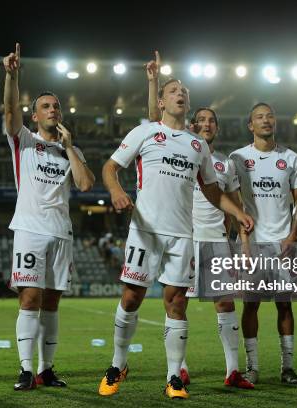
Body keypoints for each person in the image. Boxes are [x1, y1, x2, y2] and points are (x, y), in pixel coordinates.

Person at [98, 53, 254, 399]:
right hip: (146, 230)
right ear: (161, 101)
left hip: (183, 235)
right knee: (131, 296)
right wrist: (117, 191)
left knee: (177, 303)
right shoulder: (145, 132)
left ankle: (173, 378)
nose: (180, 94)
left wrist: (237, 211)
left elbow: (213, 192)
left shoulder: (198, 146)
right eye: (173, 90)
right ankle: (117, 363)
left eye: (184, 91)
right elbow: (110, 168)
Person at [146, 51, 253, 390]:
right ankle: (176, 371)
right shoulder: (179, 148)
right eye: (201, 120)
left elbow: (236, 208)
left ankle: (233, 371)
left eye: (212, 121)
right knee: (177, 301)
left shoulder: (226, 164)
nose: (206, 124)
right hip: (182, 236)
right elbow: (154, 122)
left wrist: (245, 248)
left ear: (217, 128)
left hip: (216, 240)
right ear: (193, 124)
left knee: (224, 302)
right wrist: (153, 83)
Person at [3, 43, 95, 391]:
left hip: (61, 232)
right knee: (30, 298)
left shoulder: (71, 149)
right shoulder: (23, 140)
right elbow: (9, 110)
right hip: (29, 229)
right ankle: (25, 369)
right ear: (35, 116)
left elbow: (86, 184)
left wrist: (70, 147)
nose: (53, 109)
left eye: (56, 105)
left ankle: (46, 369)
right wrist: (11, 76)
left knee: (53, 301)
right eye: (45, 106)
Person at [230, 102, 297, 385]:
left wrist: (293, 235)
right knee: (251, 305)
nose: (266, 120)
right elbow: (234, 204)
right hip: (252, 244)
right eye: (259, 117)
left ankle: (287, 368)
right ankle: (252, 368)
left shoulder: (291, 158)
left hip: (282, 243)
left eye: (270, 116)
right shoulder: (237, 158)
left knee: (285, 305)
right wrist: (241, 243)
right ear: (250, 125)